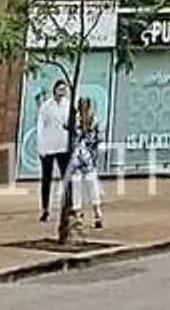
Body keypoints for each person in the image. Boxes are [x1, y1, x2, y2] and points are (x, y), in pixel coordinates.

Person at [64, 88, 107, 232]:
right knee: (81, 184)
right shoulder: (77, 122)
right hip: (81, 157)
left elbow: (99, 139)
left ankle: (94, 213)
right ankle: (82, 213)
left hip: (86, 157)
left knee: (89, 184)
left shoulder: (93, 122)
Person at [33, 77, 73, 221]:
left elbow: (72, 123)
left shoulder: (68, 105)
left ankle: (69, 206)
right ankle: (45, 208)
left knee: (66, 177)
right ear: (54, 90)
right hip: (48, 146)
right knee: (46, 178)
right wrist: (41, 146)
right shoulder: (46, 106)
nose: (62, 92)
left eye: (65, 90)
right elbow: (40, 126)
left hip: (63, 145)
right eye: (60, 89)